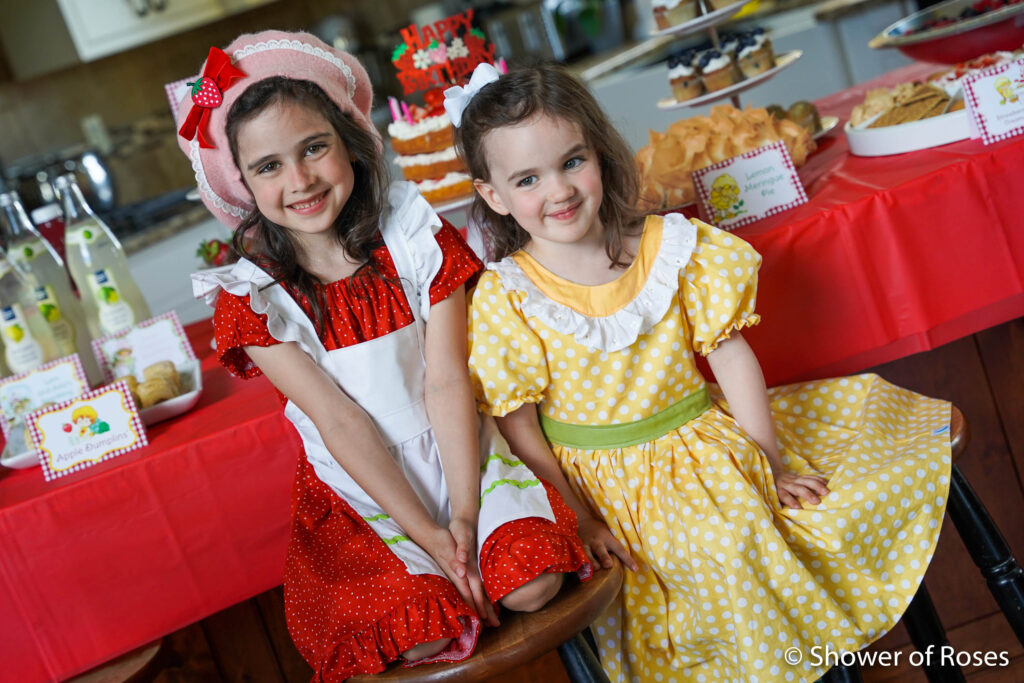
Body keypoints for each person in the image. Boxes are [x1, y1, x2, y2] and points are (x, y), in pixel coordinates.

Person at [449, 62, 953, 683]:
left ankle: (797, 663)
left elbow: (729, 353)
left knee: (746, 537)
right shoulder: (509, 296)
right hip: (606, 490)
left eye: (572, 162)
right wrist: (579, 519)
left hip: (706, 444)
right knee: (696, 569)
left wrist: (769, 459)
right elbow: (521, 428)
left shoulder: (670, 247)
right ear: (494, 195)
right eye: (528, 178)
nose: (559, 191)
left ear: (600, 156)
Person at [181, 33, 589, 680]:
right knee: (419, 634)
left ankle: (480, 541)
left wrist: (461, 513)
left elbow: (448, 382)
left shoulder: (413, 236)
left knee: (531, 584)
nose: (300, 179)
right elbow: (340, 423)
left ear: (349, 140)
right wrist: (431, 537)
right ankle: (437, 567)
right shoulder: (253, 295)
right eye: (269, 167)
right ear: (243, 184)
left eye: (314, 147)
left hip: (460, 450)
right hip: (362, 488)